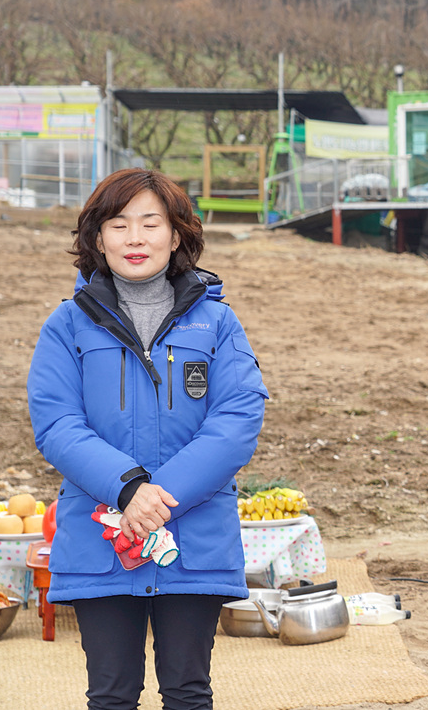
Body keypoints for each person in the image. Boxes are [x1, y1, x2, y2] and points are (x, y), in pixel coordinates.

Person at [28, 168, 268, 710]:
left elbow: (237, 418)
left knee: (188, 691)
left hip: (192, 534)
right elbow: (56, 423)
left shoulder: (217, 323)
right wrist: (127, 488)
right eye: (118, 225)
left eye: (150, 223)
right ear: (97, 239)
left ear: (177, 234)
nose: (134, 238)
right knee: (111, 695)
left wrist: (158, 497)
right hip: (101, 541)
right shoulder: (66, 325)